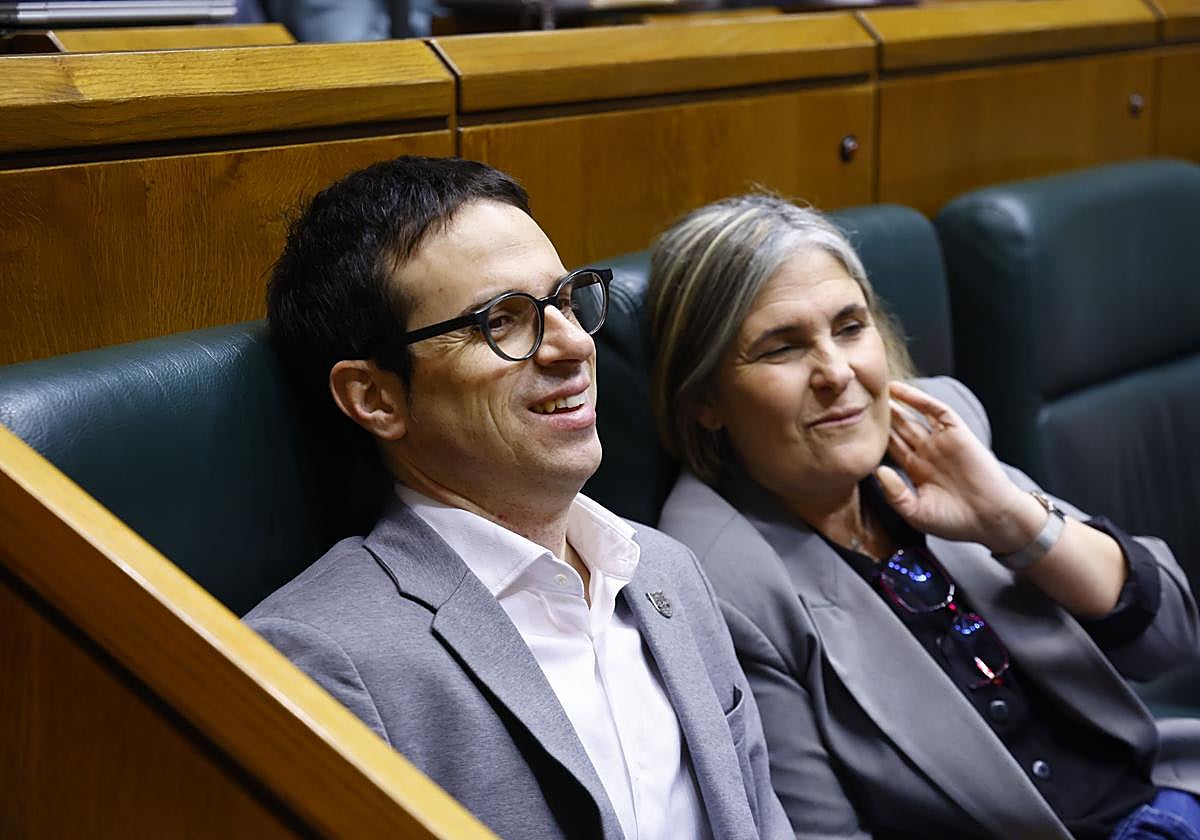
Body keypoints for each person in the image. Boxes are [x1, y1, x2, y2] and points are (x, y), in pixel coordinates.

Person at [245, 157, 790, 840]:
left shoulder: (665, 570)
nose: (571, 345)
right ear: (375, 397)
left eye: (565, 300)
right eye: (501, 321)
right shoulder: (315, 660)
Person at [646, 193, 1200, 840]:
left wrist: (1011, 520)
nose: (837, 371)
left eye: (851, 327)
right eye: (781, 348)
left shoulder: (932, 435)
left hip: (1167, 795)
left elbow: (1170, 636)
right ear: (705, 398)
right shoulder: (722, 579)